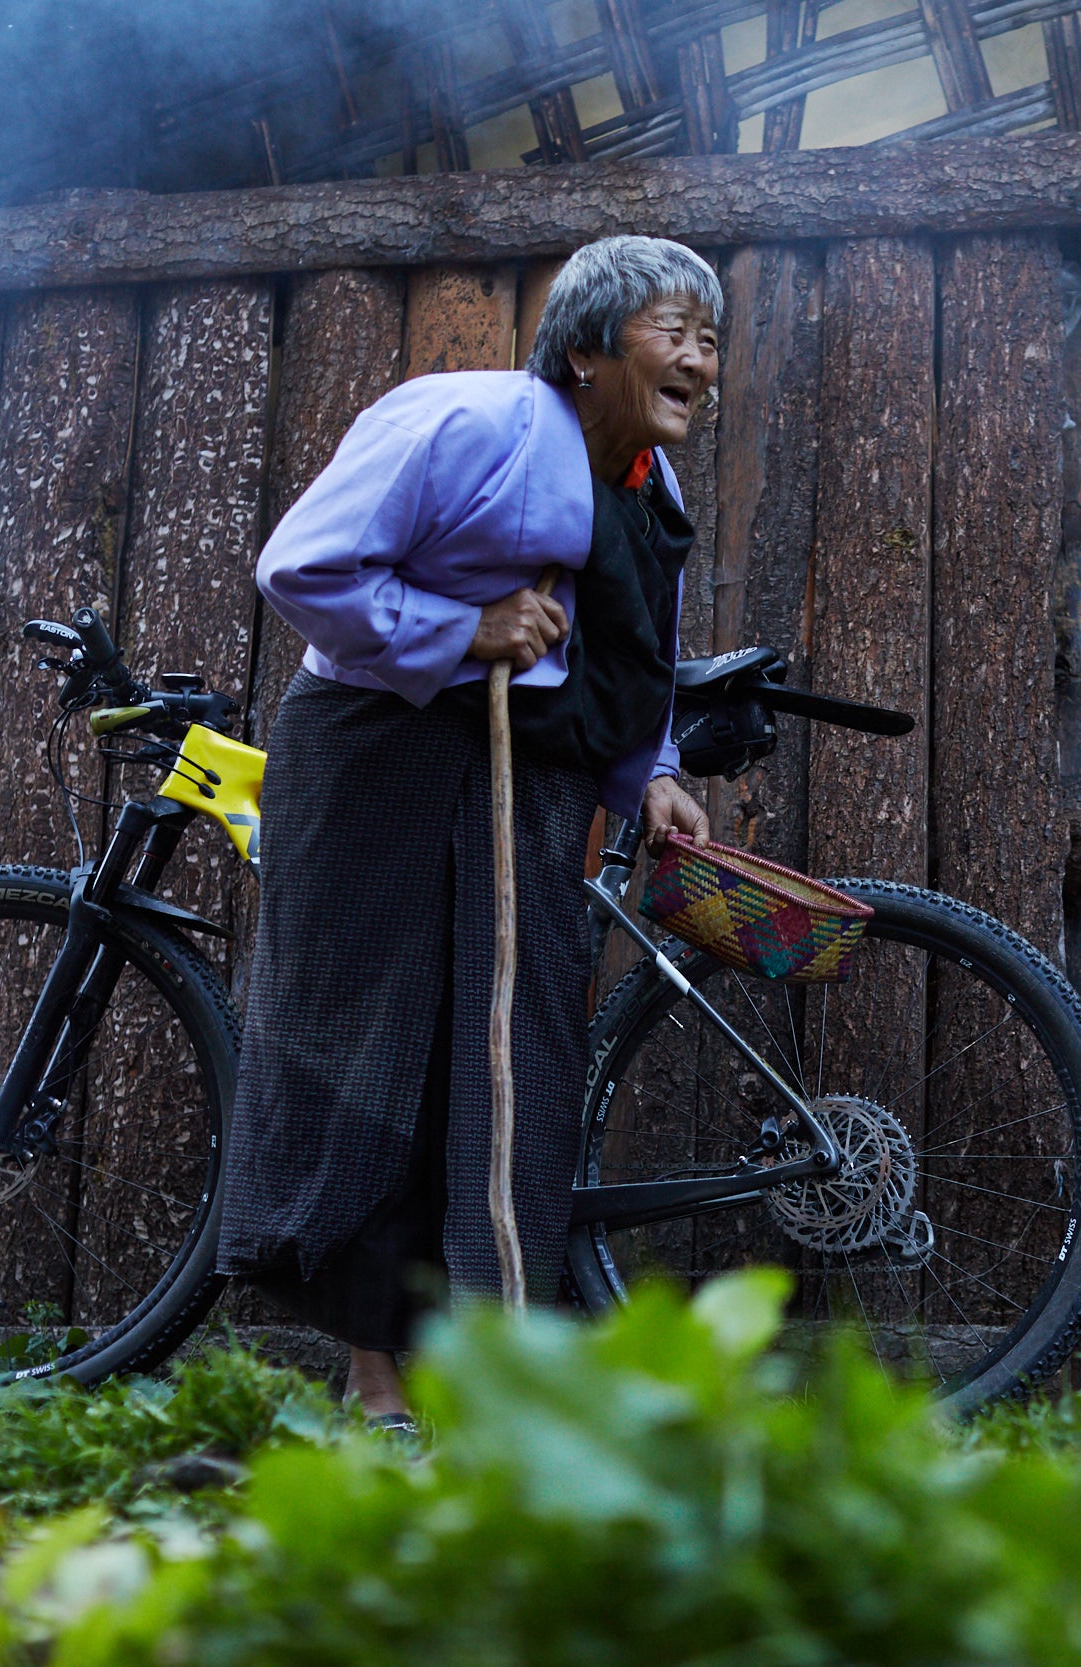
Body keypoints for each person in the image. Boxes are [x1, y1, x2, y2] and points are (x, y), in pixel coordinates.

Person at [218, 236, 720, 1429]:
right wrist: (461, 624)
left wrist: (652, 769)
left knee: (509, 1056)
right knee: (375, 1046)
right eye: (675, 330)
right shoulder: (463, 421)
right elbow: (301, 563)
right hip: (383, 754)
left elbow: (631, 656)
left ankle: (487, 1371)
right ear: (589, 347)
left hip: (526, 781)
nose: (702, 358)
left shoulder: (649, 491)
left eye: (710, 339)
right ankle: (376, 1382)